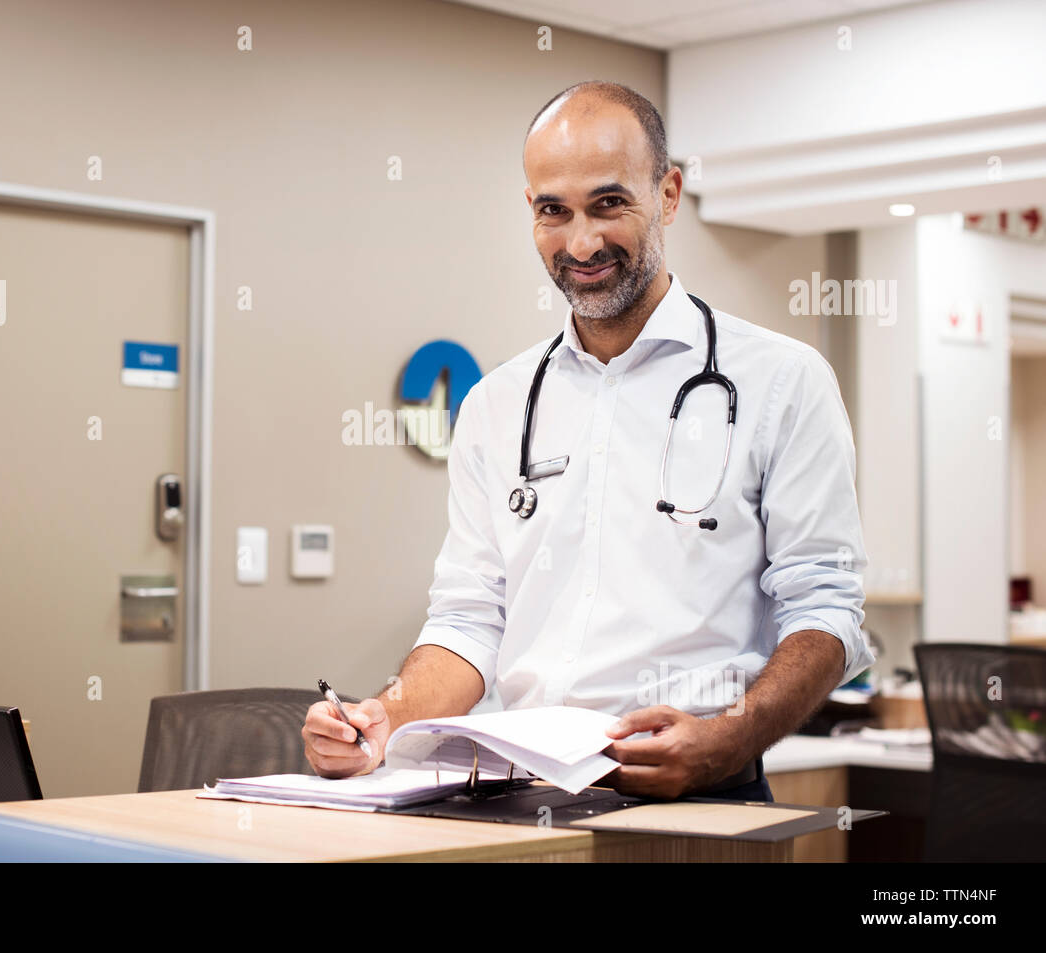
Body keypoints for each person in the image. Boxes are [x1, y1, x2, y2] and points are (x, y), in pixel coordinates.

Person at [302, 81, 873, 801]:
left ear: (667, 193)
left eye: (609, 204)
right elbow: (470, 618)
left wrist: (731, 737)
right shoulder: (496, 404)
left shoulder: (783, 383)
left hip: (697, 798)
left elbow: (825, 610)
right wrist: (385, 717)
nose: (581, 242)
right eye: (553, 211)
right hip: (516, 797)